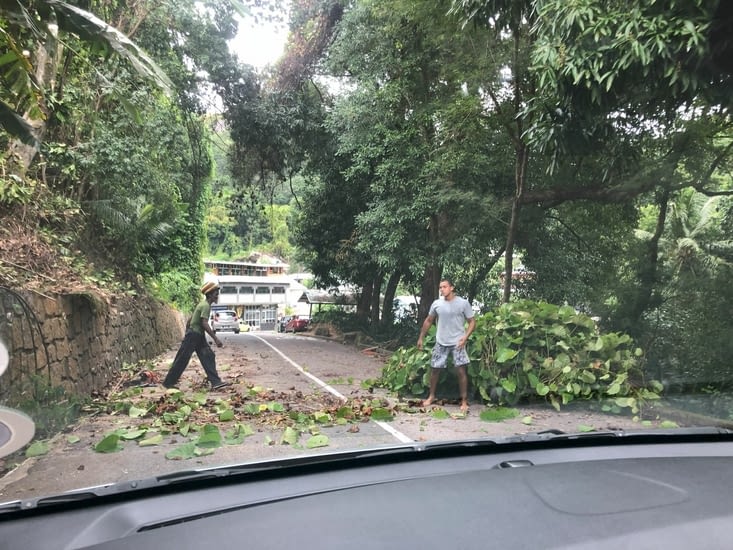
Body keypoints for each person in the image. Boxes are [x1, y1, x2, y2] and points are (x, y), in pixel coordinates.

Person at [417, 278, 476, 413]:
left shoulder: (463, 303)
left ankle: (464, 400)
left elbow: (472, 322)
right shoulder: (437, 304)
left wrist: (465, 338)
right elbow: (428, 320)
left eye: (444, 287)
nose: (442, 289)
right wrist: (421, 337)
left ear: (452, 288)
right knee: (435, 369)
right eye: (440, 287)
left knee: (461, 371)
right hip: (441, 341)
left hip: (457, 342)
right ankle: (431, 396)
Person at [163, 281, 230, 390]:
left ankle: (216, 382)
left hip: (197, 335)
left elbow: (191, 319)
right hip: (194, 335)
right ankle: (168, 383)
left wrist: (188, 330)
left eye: (218, 293)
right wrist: (215, 338)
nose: (217, 296)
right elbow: (204, 323)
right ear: (210, 294)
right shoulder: (205, 306)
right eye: (216, 293)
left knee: (208, 356)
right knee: (182, 359)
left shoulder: (202, 305)